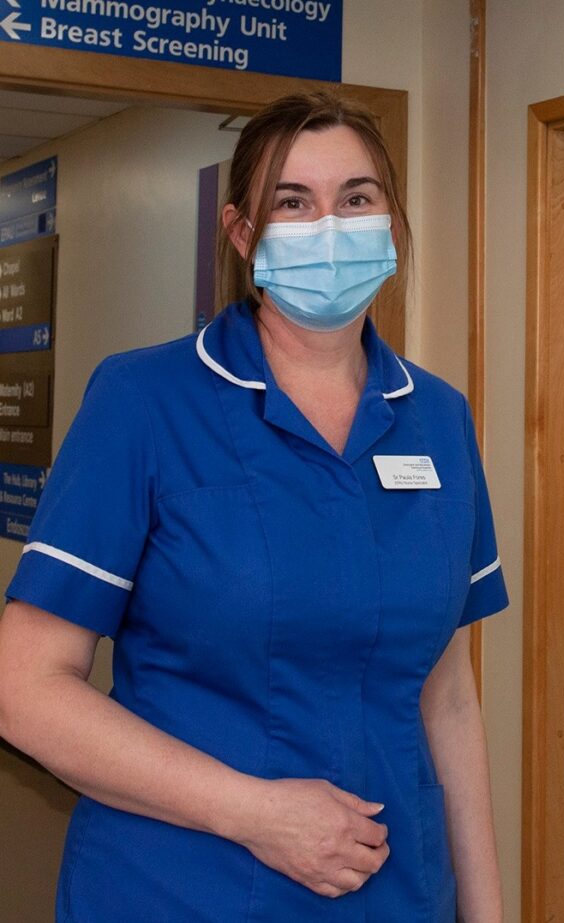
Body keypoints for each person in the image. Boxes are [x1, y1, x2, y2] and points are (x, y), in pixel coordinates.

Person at [0, 91, 508, 922]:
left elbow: (446, 691)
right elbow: (24, 689)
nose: (330, 226)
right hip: (182, 887)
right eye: (293, 203)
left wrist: (487, 913)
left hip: (397, 892)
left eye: (357, 197)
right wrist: (256, 812)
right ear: (242, 233)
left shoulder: (438, 418)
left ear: (391, 219)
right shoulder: (145, 401)